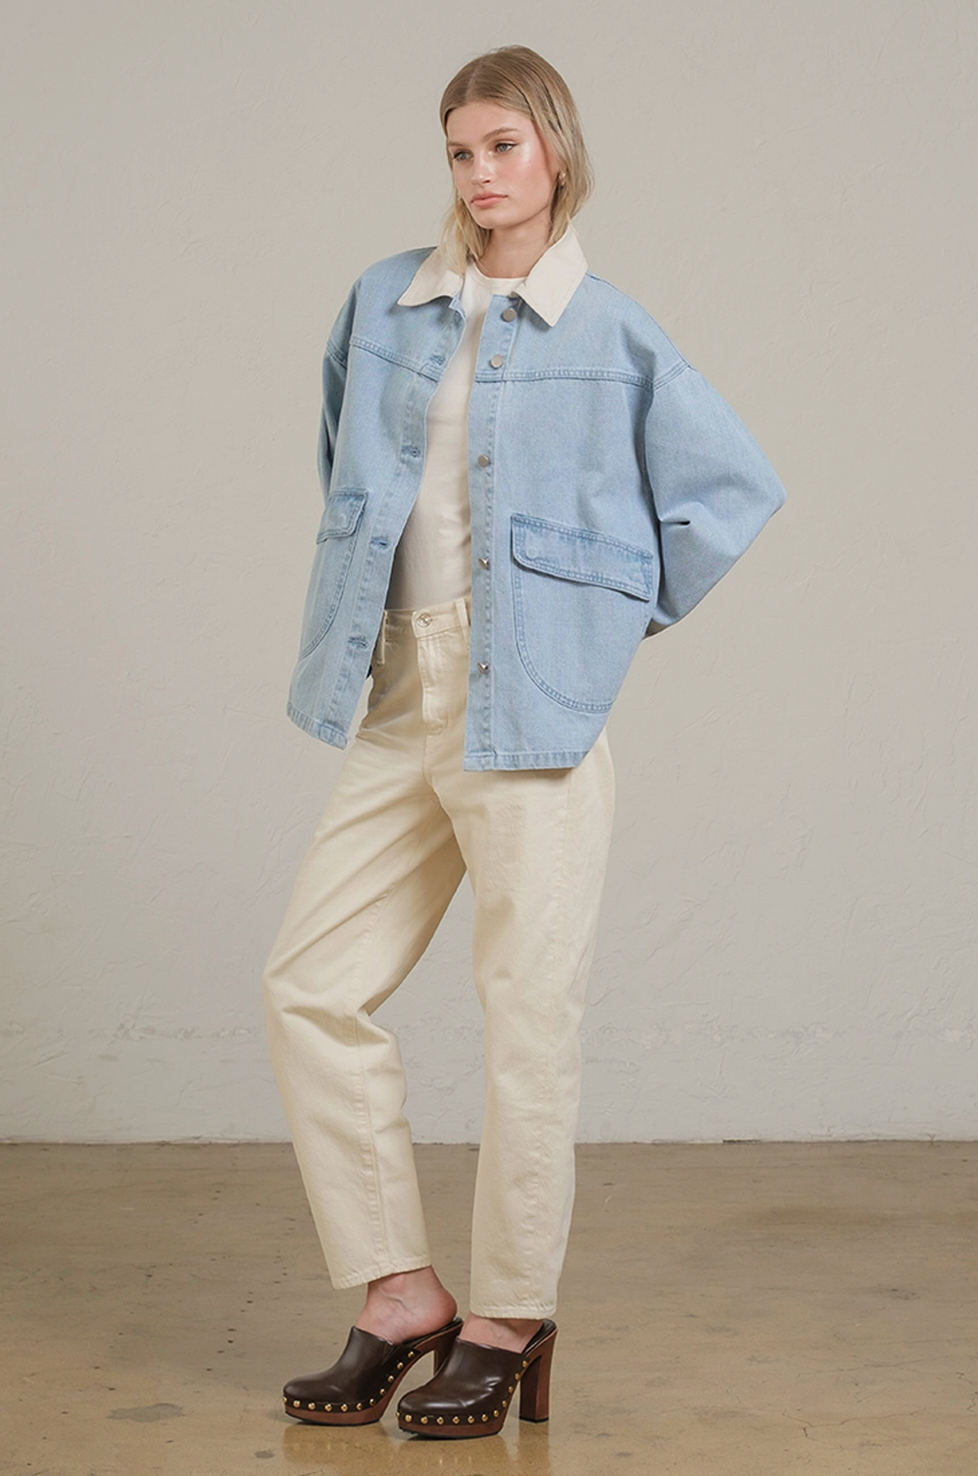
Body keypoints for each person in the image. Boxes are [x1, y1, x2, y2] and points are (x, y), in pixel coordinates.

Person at [261, 44, 785, 1440]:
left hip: (533, 704)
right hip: (402, 688)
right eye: (459, 149)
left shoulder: (609, 331)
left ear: (555, 148)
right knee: (309, 985)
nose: (480, 171)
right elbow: (343, 465)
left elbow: (729, 491)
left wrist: (595, 624)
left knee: (526, 1020)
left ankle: (506, 1318)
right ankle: (400, 1296)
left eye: (503, 143)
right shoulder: (385, 300)